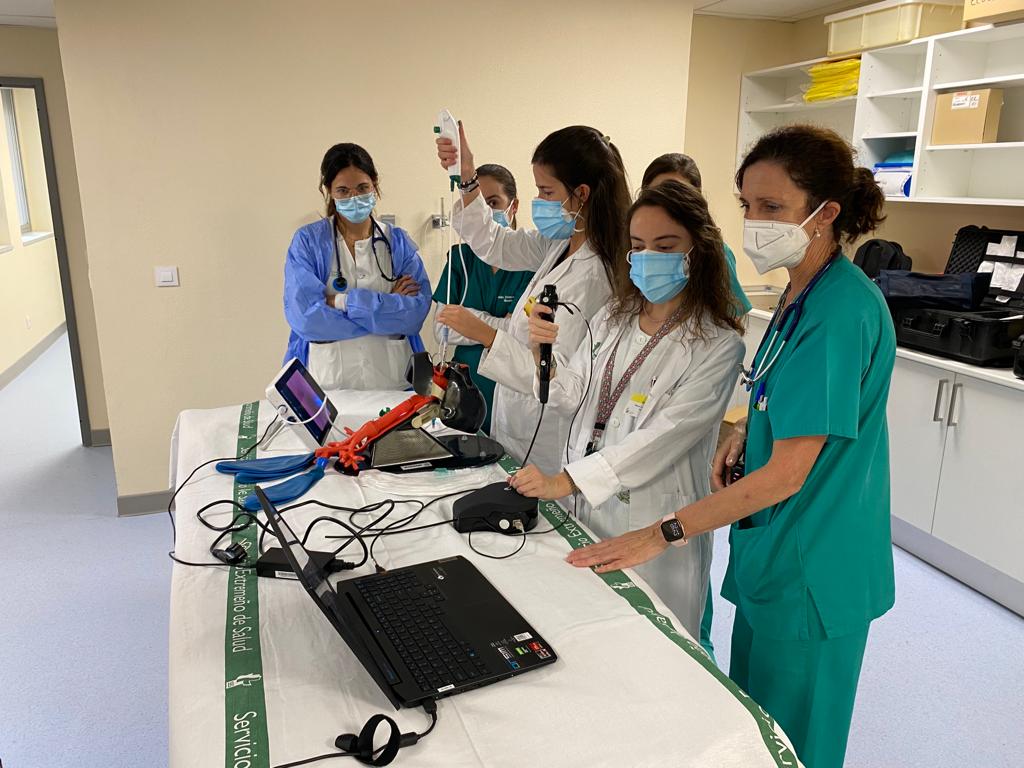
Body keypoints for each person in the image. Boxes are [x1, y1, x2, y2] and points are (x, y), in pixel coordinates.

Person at [566, 125, 895, 768]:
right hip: (775, 554)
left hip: (813, 568)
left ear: (826, 212)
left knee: (793, 747)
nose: (754, 221)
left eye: (773, 206)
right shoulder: (802, 292)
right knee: (751, 726)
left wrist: (662, 532)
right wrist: (749, 429)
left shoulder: (839, 312)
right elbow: (792, 399)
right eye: (747, 204)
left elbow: (787, 475)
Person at [503, 181, 744, 638]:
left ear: (698, 250)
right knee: (588, 634)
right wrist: (541, 354)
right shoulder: (613, 317)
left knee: (652, 645)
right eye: (638, 246)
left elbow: (665, 435)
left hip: (652, 522)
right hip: (587, 506)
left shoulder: (718, 344)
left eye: (665, 246)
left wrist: (567, 480)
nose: (649, 258)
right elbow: (572, 392)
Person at [435, 124, 630, 474]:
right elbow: (494, 242)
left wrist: (486, 334)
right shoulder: (558, 244)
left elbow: (557, 377)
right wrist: (467, 177)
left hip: (549, 436)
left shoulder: (594, 277)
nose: (539, 201)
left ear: (581, 193)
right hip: (519, 421)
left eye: (547, 191)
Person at [283, 143, 431, 390]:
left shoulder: (398, 242)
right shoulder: (308, 242)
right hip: (330, 384)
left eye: (362, 188)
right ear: (329, 191)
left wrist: (339, 302)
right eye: (343, 190)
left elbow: (414, 315)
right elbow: (306, 319)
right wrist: (386, 309)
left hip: (391, 383)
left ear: (375, 184)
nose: (354, 198)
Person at [432, 164, 534, 433]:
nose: (485, 213)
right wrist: (497, 325)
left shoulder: (532, 264)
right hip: (465, 384)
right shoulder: (460, 259)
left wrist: (467, 320)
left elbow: (521, 333)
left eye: (493, 202)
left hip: (510, 384)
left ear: (513, 206)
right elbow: (441, 329)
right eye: (478, 204)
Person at [643, 153, 752, 316]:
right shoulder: (635, 253)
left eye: (677, 195)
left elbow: (732, 317)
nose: (666, 203)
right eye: (657, 194)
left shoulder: (717, 253)